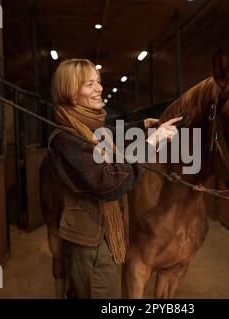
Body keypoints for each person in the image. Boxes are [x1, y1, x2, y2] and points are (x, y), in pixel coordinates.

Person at [48, 58, 181, 298]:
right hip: (90, 242)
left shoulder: (88, 127)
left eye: (98, 82)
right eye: (89, 84)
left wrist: (144, 126)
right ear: (70, 93)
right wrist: (151, 143)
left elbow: (111, 134)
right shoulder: (66, 139)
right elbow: (109, 183)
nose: (99, 88)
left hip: (104, 234)